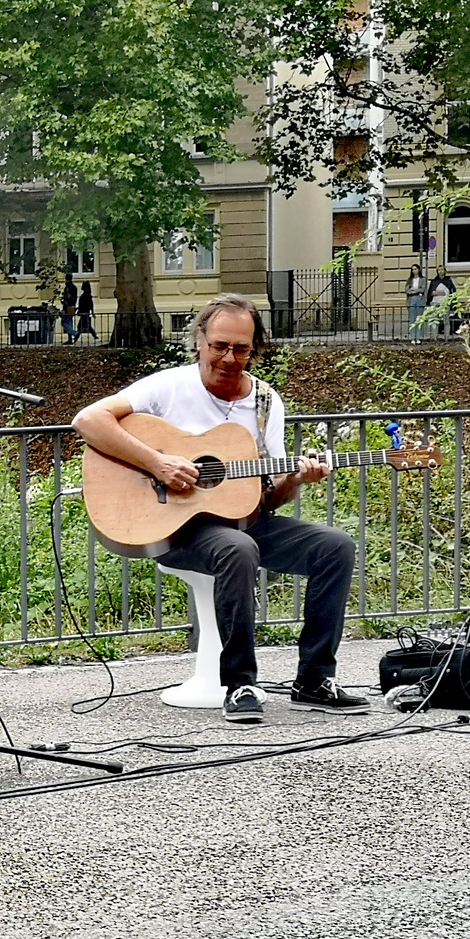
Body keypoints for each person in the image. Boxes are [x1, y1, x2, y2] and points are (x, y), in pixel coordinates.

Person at [73, 294, 367, 724]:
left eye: (241, 349)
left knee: (335, 546)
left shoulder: (265, 403)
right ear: (199, 341)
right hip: (176, 528)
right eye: (219, 346)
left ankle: (314, 679)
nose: (229, 358)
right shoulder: (167, 386)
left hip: (243, 521)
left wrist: (296, 479)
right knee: (237, 548)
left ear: (255, 348)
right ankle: (241, 683)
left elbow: (264, 499)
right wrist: (158, 463)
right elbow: (88, 421)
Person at [406, 266, 427, 340]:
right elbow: (407, 290)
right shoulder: (410, 280)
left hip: (419, 298)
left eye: (415, 269)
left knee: (419, 318)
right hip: (411, 299)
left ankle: (419, 337)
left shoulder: (422, 279)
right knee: (412, 318)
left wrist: (414, 290)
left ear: (419, 270)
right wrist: (415, 290)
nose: (414, 271)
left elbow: (422, 289)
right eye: (412, 269)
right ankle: (412, 336)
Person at [61, 279, 78, 343]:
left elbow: (67, 298)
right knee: (69, 323)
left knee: (65, 323)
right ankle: (70, 338)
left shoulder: (68, 287)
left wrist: (65, 302)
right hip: (72, 307)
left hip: (67, 308)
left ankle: (74, 333)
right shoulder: (74, 287)